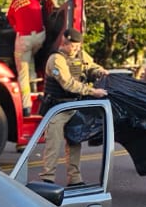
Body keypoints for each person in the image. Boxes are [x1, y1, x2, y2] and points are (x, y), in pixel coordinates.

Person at [39, 28, 108, 186]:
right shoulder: (56, 59)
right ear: (65, 43)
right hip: (56, 108)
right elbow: (68, 83)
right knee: (53, 146)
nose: (76, 49)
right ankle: (47, 179)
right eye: (73, 46)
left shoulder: (80, 55)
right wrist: (91, 91)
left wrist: (99, 72)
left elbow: (90, 66)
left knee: (75, 142)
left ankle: (75, 179)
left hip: (74, 105)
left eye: (78, 46)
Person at [6, 0, 56, 113]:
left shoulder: (12, 6)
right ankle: (34, 84)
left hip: (25, 39)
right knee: (29, 56)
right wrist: (55, 4)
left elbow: (15, 27)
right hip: (40, 36)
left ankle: (26, 105)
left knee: (22, 70)